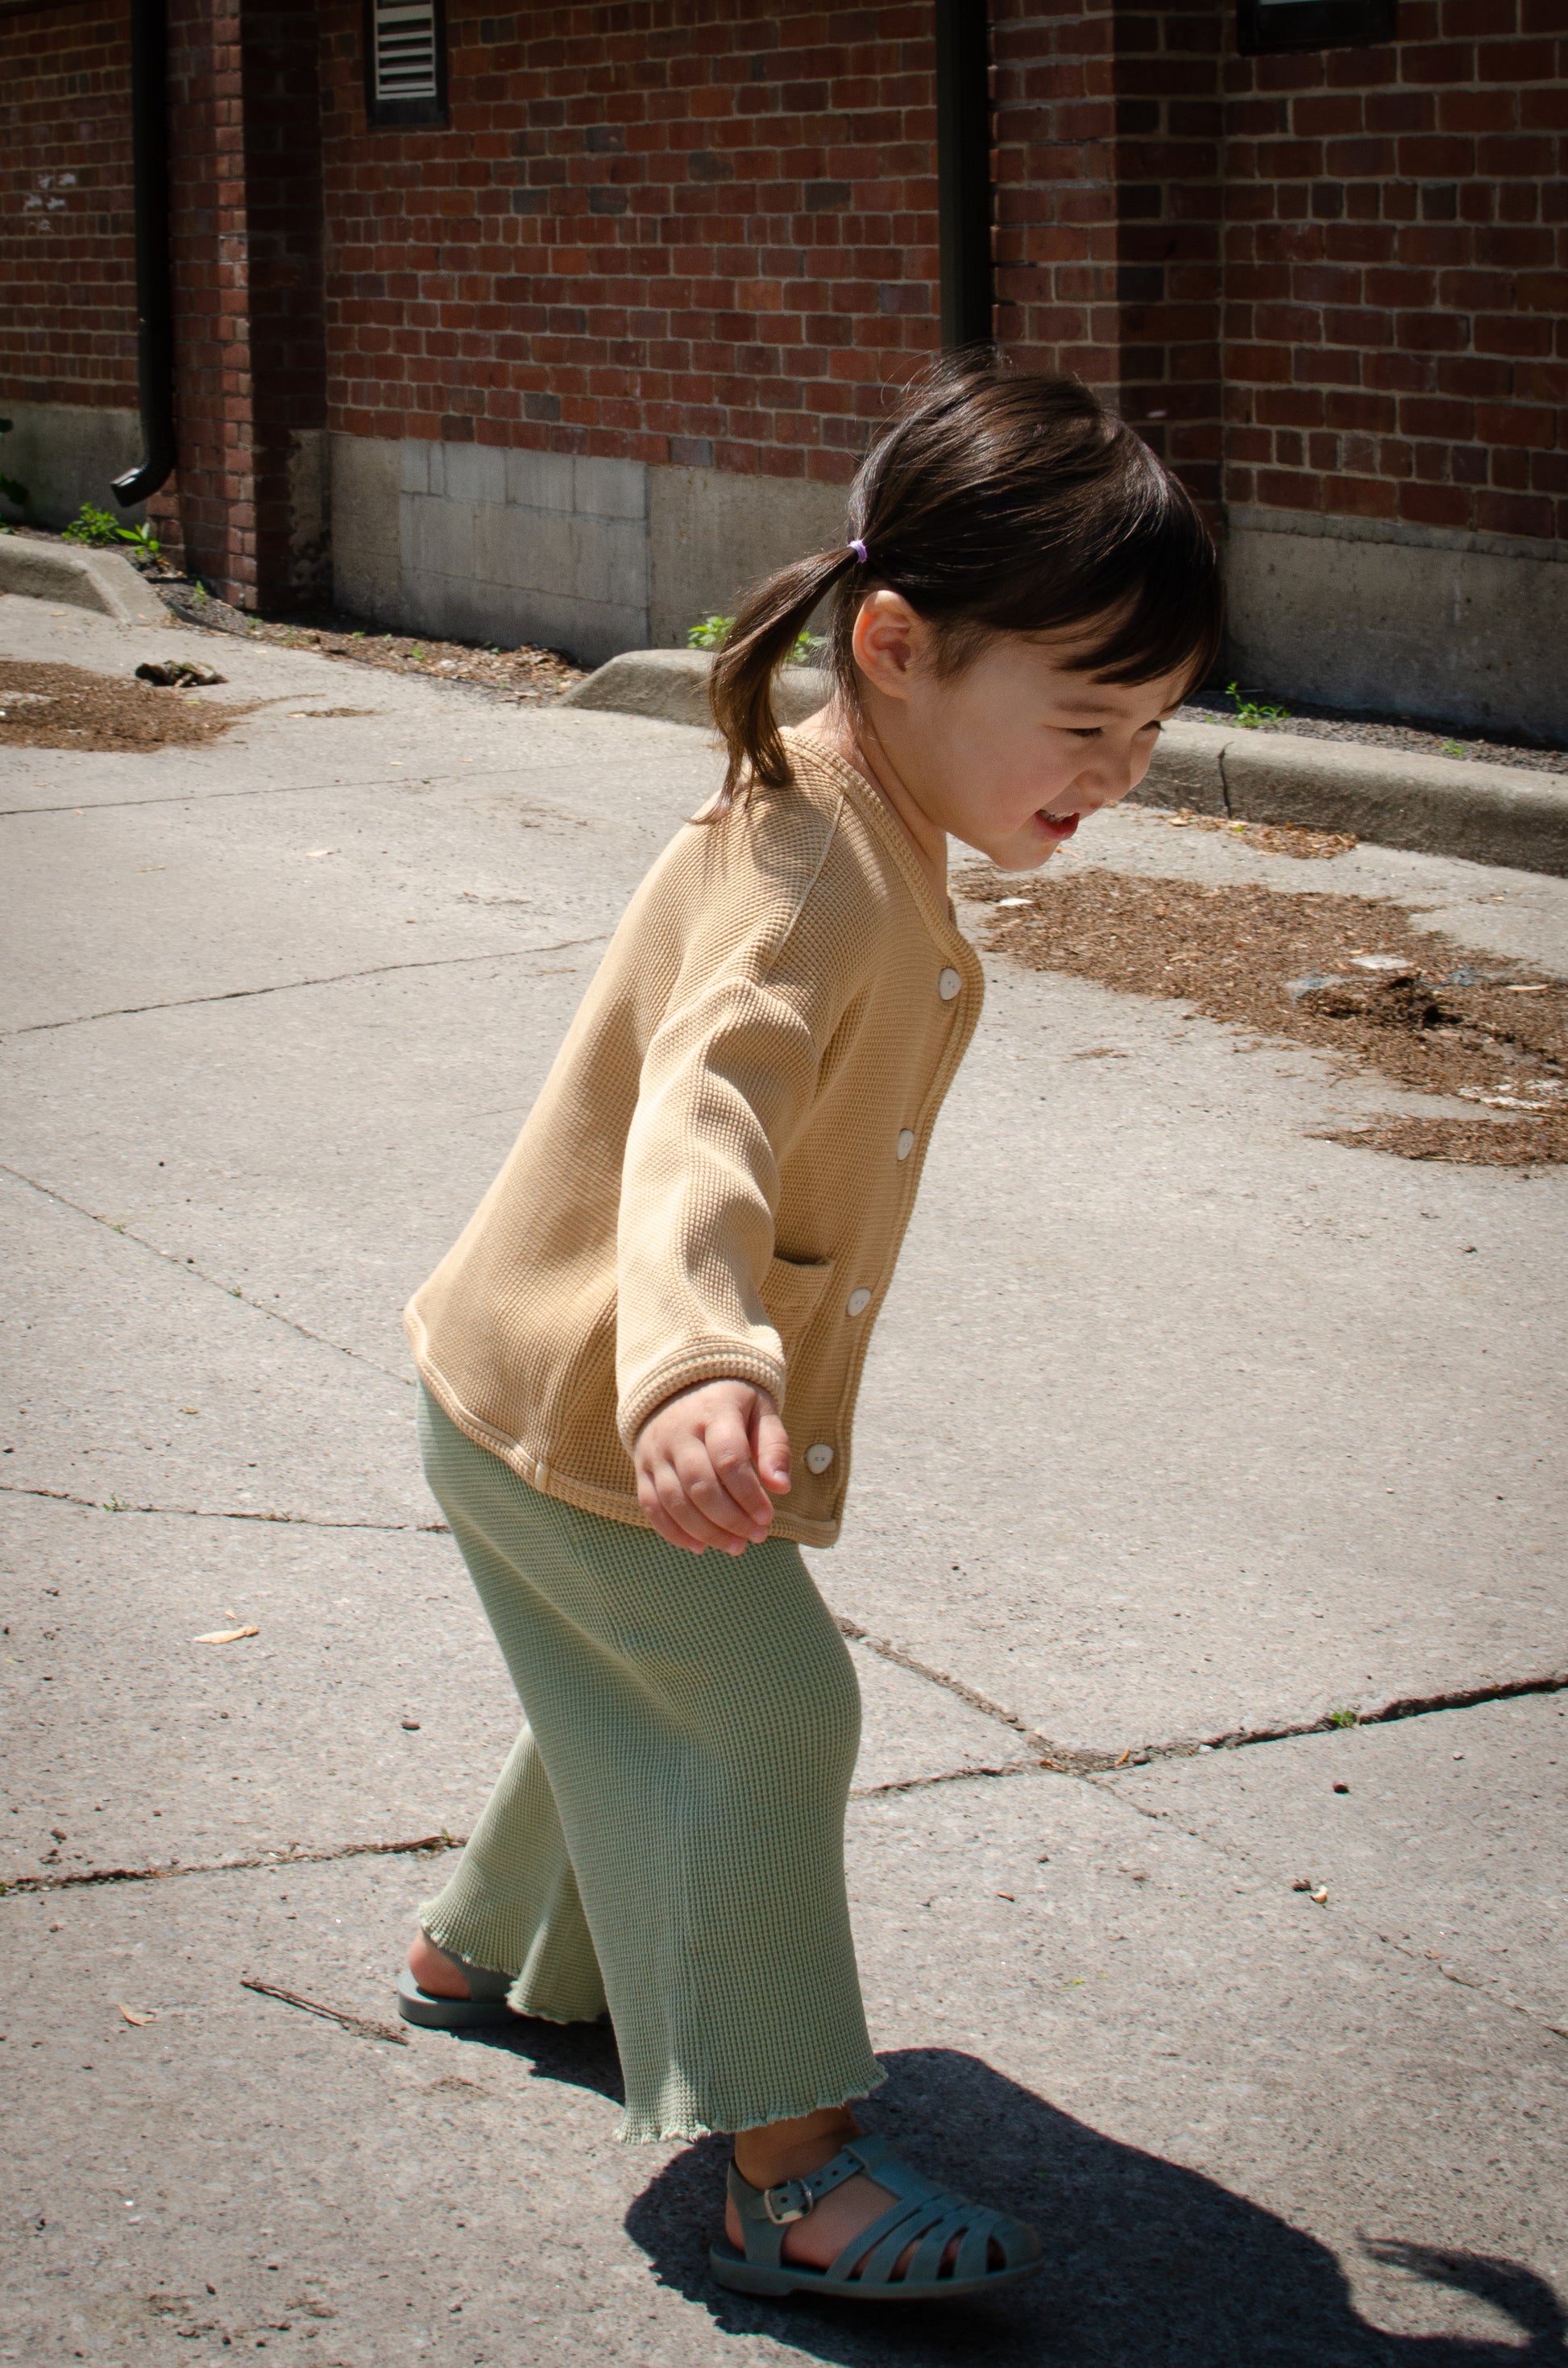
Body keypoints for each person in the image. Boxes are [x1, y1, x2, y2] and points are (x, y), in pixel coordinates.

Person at [397, 359, 1224, 2304]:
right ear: (895, 644)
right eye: (1089, 717)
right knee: (764, 1701)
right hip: (599, 1395)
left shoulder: (868, 826)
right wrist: (695, 1360)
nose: (1118, 769)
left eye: (1156, 730)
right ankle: (787, 2168)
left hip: (529, 1380)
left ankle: (479, 1950)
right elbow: (708, 1121)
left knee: (639, 1667)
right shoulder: (798, 867)